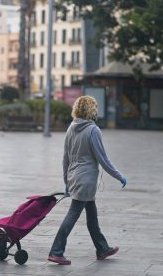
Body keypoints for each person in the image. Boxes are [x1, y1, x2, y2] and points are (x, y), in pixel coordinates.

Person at [48, 95, 127, 265]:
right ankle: (56, 251)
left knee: (92, 215)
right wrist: (119, 176)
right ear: (92, 110)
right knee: (73, 213)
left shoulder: (71, 127)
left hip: (74, 177)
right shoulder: (93, 130)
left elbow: (65, 158)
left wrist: (66, 181)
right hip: (86, 180)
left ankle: (102, 248)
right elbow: (103, 159)